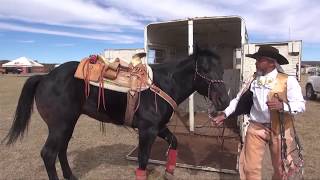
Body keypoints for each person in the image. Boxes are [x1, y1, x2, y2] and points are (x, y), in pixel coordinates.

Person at [212, 45, 305, 180]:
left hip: (280, 130)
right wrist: (224, 114)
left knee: (281, 169)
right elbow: (239, 99)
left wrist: (283, 106)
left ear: (272, 62)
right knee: (249, 168)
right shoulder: (253, 80)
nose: (256, 62)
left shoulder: (288, 81)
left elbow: (301, 105)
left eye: (260, 59)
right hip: (256, 128)